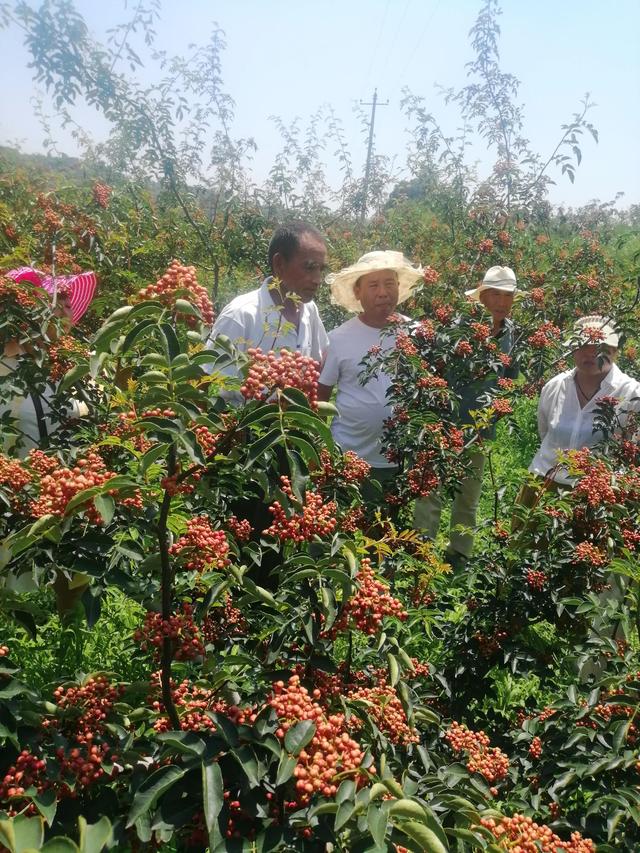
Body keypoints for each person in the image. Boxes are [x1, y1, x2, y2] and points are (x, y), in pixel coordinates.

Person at [413, 265, 519, 566]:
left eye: (507, 296)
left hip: (479, 431)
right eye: (495, 294)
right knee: (430, 495)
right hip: (442, 425)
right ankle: (420, 560)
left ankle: (459, 557)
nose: (501, 302)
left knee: (468, 498)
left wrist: (496, 408)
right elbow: (432, 371)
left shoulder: (513, 335)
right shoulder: (457, 327)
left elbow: (510, 378)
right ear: (481, 295)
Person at [317, 251, 423, 490]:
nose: (383, 292)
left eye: (389, 283)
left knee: (390, 526)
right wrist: (318, 448)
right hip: (347, 457)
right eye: (373, 285)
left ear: (398, 286)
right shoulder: (338, 339)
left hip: (399, 459)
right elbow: (321, 395)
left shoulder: (416, 334)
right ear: (358, 292)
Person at [527, 314, 640, 489]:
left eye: (600, 346)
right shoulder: (555, 386)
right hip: (542, 483)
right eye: (582, 345)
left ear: (615, 351)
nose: (590, 353)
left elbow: (631, 452)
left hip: (599, 492)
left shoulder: (632, 394)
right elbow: (545, 434)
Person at [1, 267, 97, 456]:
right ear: (27, 309)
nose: (65, 307)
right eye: (56, 299)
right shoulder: (5, 365)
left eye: (68, 303)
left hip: (81, 477)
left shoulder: (85, 364)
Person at [206, 221, 329, 368]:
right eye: (309, 267)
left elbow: (318, 364)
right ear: (279, 264)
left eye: (321, 269)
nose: (317, 280)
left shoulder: (309, 310)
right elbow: (211, 382)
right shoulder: (239, 316)